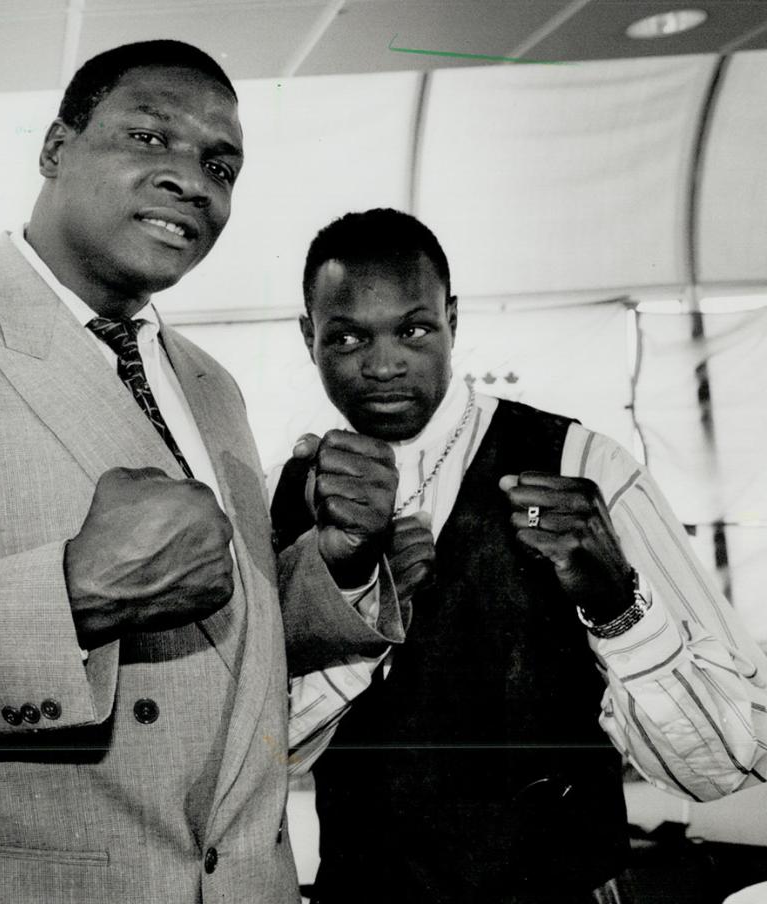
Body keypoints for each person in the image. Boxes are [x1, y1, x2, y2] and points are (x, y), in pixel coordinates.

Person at [0, 40, 407, 903]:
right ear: (54, 146)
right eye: (151, 138)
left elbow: (222, 650)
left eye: (219, 164)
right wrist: (73, 596)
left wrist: (332, 563)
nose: (192, 179)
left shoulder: (211, 385)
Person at [277, 208, 767, 903]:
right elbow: (258, 757)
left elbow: (721, 767)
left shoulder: (584, 466)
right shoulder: (289, 491)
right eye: (349, 336)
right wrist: (354, 602)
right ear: (310, 337)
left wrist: (618, 605)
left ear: (453, 319)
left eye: (413, 329)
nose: (383, 363)